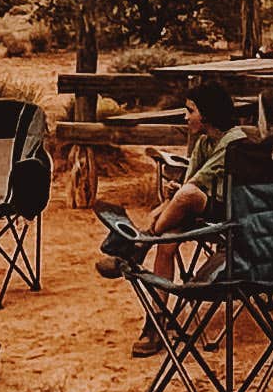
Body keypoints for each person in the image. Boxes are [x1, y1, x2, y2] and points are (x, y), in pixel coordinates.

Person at [96, 81, 245, 354]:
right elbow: (189, 182)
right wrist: (170, 198)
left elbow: (196, 184)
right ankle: (156, 320)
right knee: (167, 243)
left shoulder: (234, 141)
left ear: (208, 113)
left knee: (184, 196)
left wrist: (176, 197)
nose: (186, 117)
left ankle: (140, 243)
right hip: (201, 210)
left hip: (229, 214)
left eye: (191, 111)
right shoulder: (203, 142)